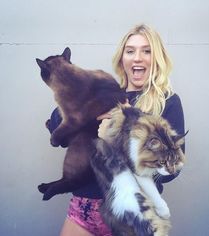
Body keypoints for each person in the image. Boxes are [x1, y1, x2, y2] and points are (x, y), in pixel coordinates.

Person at [48, 24, 185, 236]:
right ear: (122, 59)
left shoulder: (168, 102)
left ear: (156, 58)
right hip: (84, 208)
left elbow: (171, 173)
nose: (137, 57)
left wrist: (119, 134)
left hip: (134, 215)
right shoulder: (106, 92)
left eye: (146, 50)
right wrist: (83, 100)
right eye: (130, 51)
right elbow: (57, 124)